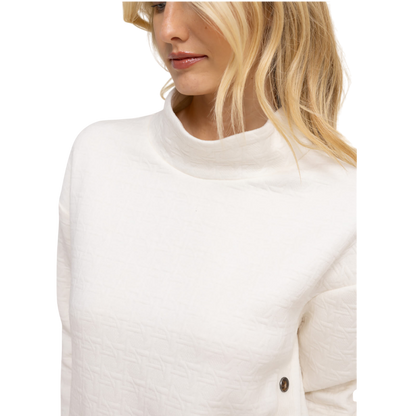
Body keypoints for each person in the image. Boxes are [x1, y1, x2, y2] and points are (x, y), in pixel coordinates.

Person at [54, 1, 359, 415]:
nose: (168, 30)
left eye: (197, 2)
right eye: (159, 5)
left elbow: (332, 398)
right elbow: (75, 362)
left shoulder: (335, 197)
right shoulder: (97, 156)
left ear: (271, 10)